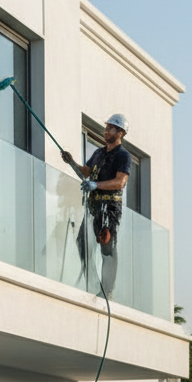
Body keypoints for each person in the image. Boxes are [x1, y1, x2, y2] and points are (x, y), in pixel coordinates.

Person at [61, 113, 132, 299]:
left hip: (109, 208)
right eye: (107, 127)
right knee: (82, 243)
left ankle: (107, 290)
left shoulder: (123, 156)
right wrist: (71, 163)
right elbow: (85, 172)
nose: (106, 131)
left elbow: (120, 182)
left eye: (111, 128)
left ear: (121, 132)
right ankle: (92, 282)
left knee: (107, 246)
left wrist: (96, 185)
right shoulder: (99, 154)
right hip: (94, 206)